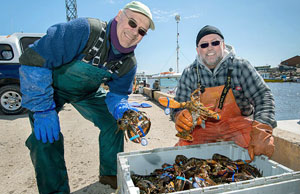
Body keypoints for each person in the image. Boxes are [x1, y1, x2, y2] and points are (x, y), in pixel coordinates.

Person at [19, 1, 154, 193]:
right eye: (132, 23)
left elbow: (117, 95)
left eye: (142, 31)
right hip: (50, 89)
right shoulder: (85, 30)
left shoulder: (129, 64)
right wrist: (42, 108)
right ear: (118, 16)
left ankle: (110, 173)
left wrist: (122, 110)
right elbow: (33, 59)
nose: (134, 32)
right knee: (45, 138)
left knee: (114, 123)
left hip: (87, 93)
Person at [172, 25, 276, 161]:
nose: (210, 48)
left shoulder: (241, 66)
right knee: (183, 151)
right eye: (204, 45)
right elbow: (178, 104)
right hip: (203, 128)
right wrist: (180, 115)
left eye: (215, 43)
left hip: (237, 126)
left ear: (223, 45)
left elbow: (263, 97)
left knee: (257, 149)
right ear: (198, 50)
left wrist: (263, 128)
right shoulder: (189, 73)